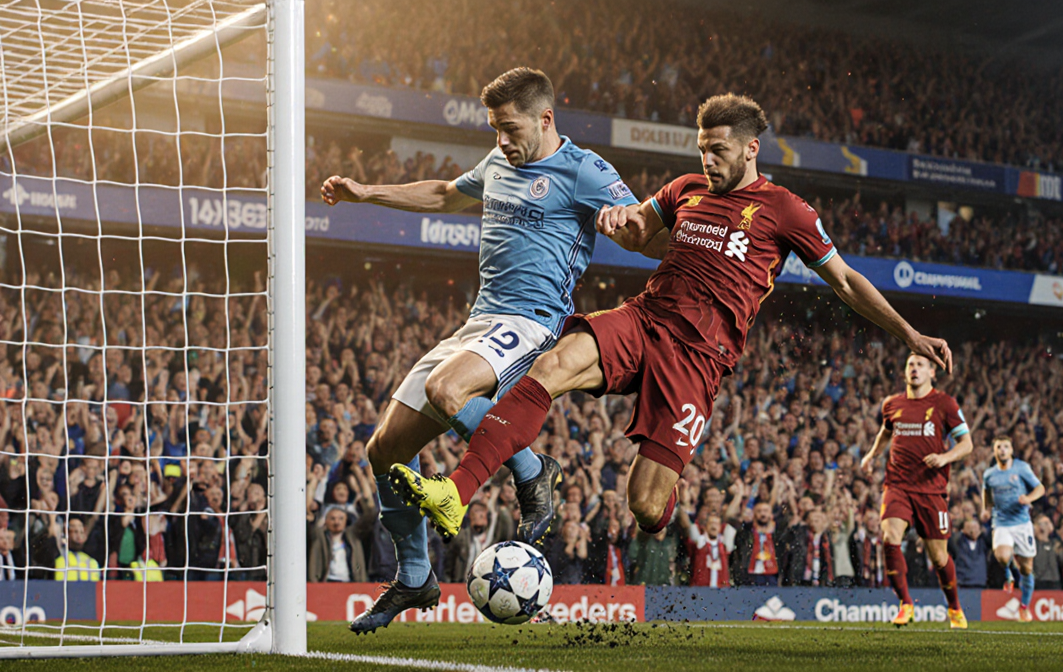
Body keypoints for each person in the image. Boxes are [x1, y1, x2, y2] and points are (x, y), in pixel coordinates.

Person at [392, 93, 953, 559]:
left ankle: (665, 493)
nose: (708, 160)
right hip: (646, 317)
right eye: (703, 148)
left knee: (645, 506)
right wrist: (619, 220)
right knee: (553, 363)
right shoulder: (685, 189)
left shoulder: (787, 210)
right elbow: (639, 232)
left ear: (751, 149)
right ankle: (457, 492)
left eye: (719, 150)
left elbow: (847, 281)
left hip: (698, 359)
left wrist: (910, 335)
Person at [320, 66, 638, 632]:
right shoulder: (497, 162)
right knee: (384, 450)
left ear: (545, 118)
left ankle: (532, 470)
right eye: (495, 128)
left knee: (447, 388)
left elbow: (648, 229)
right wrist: (367, 192)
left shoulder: (584, 170)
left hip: (533, 323)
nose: (501, 140)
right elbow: (446, 193)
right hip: (479, 323)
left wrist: (627, 219)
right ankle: (415, 577)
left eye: (510, 128)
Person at [859, 352, 973, 629]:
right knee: (890, 536)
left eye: (920, 365)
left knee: (939, 557)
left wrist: (945, 458)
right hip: (897, 484)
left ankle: (954, 608)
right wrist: (872, 455)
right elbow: (886, 432)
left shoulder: (945, 403)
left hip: (931, 490)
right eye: (911, 364)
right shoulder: (892, 404)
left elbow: (966, 444)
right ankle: (906, 604)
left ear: (932, 372)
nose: (914, 369)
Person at [982, 436, 1044, 622]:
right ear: (994, 451)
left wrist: (1028, 498)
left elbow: (1040, 488)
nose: (1002, 450)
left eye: (1006, 446)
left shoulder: (1021, 468)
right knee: (1002, 556)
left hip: (1022, 524)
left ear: (1011, 450)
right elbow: (986, 492)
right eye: (998, 447)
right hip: (1001, 523)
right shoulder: (989, 474)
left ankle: (1024, 607)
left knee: (1026, 569)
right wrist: (985, 509)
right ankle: (1009, 572)